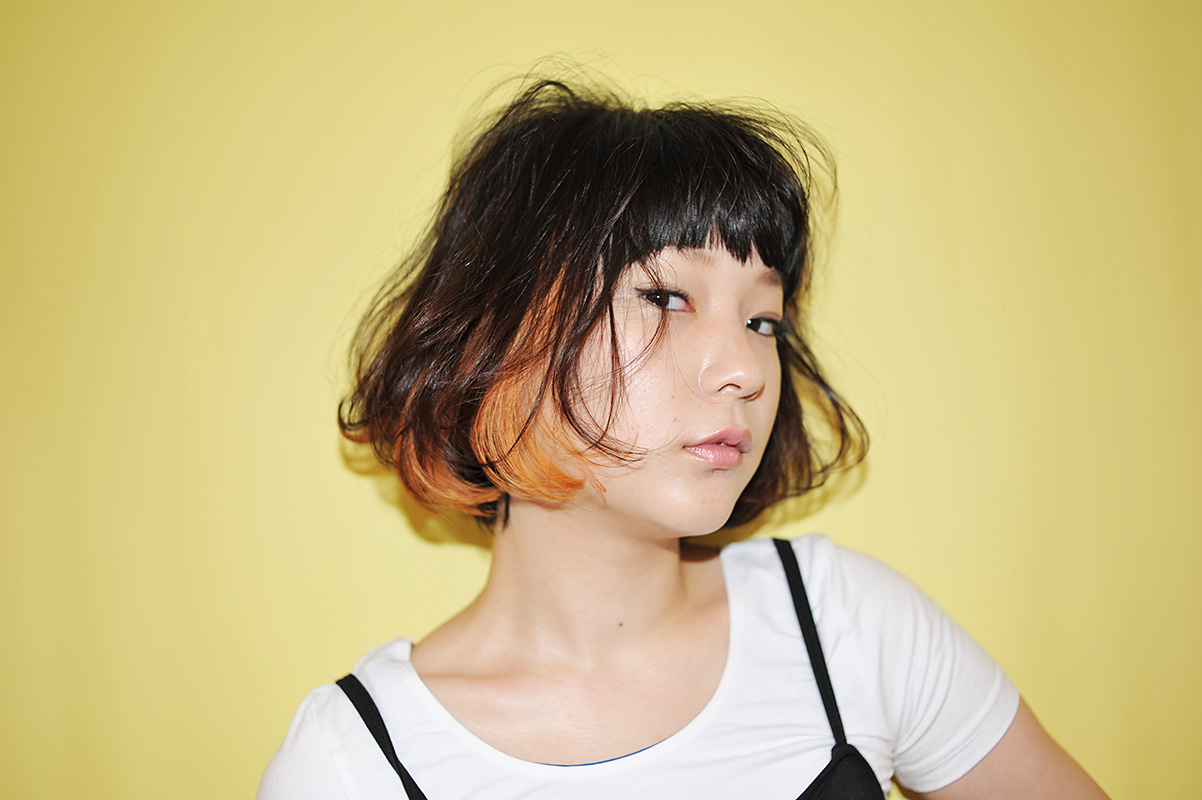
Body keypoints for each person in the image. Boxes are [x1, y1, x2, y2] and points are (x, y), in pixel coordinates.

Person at [258, 78, 1109, 799]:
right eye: (664, 298)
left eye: (763, 320)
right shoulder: (358, 762)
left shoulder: (847, 629)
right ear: (496, 335)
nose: (743, 368)